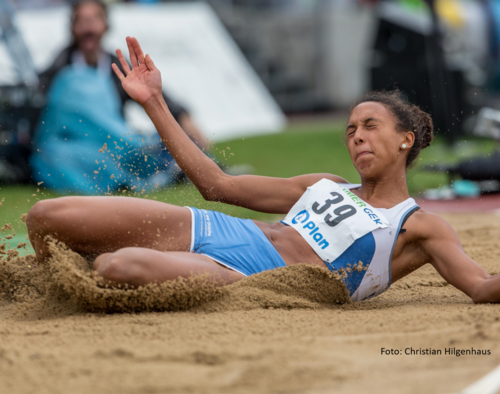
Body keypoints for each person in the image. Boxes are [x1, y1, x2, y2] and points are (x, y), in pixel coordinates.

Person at [25, 37, 500, 303]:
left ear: (405, 139)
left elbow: (479, 287)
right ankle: (36, 290)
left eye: (370, 126)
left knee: (117, 265)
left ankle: (67, 294)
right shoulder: (325, 184)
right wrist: (153, 102)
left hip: (257, 275)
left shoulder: (420, 226)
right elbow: (217, 186)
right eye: (351, 128)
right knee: (45, 216)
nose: (356, 135)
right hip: (222, 229)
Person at [31, 0, 205, 194]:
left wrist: (184, 120)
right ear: (72, 27)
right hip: (79, 149)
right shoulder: (58, 68)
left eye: (94, 19)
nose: (88, 26)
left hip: (118, 145)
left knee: (155, 145)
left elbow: (161, 100)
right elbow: (42, 121)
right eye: (82, 20)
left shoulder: (118, 67)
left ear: (106, 25)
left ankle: (197, 168)